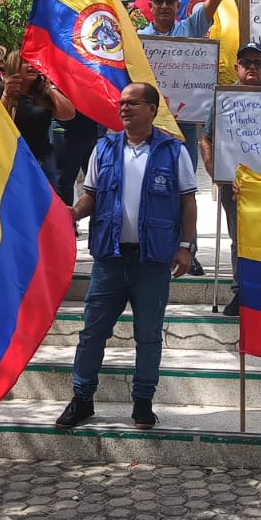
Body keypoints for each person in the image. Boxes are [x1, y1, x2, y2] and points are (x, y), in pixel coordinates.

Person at [56, 81, 198, 432]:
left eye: (132, 103)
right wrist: (71, 213)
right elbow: (90, 196)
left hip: (153, 262)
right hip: (110, 259)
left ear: (152, 109)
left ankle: (143, 402)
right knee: (92, 333)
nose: (123, 108)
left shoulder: (173, 151)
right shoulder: (102, 149)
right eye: (121, 103)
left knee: (148, 336)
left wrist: (185, 246)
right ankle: (82, 399)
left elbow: (187, 201)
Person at [201, 41, 261, 315]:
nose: (252, 67)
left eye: (258, 63)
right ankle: (241, 292)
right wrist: (213, 169)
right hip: (236, 185)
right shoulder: (224, 99)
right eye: (247, 63)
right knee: (239, 239)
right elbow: (206, 138)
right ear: (237, 68)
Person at [139, 0, 235, 169]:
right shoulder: (139, 39)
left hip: (185, 123)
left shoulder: (191, 26)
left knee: (185, 183)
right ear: (150, 6)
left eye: (169, 1)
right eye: (158, 1)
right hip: (151, 122)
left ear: (177, 5)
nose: (164, 5)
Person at [1, 53, 76, 190]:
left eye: (33, 62)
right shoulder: (2, 90)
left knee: (50, 207)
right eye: (25, 62)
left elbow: (68, 114)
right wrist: (7, 95)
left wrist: (50, 88)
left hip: (44, 161)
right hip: (16, 161)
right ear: (14, 66)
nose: (31, 65)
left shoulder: (41, 93)